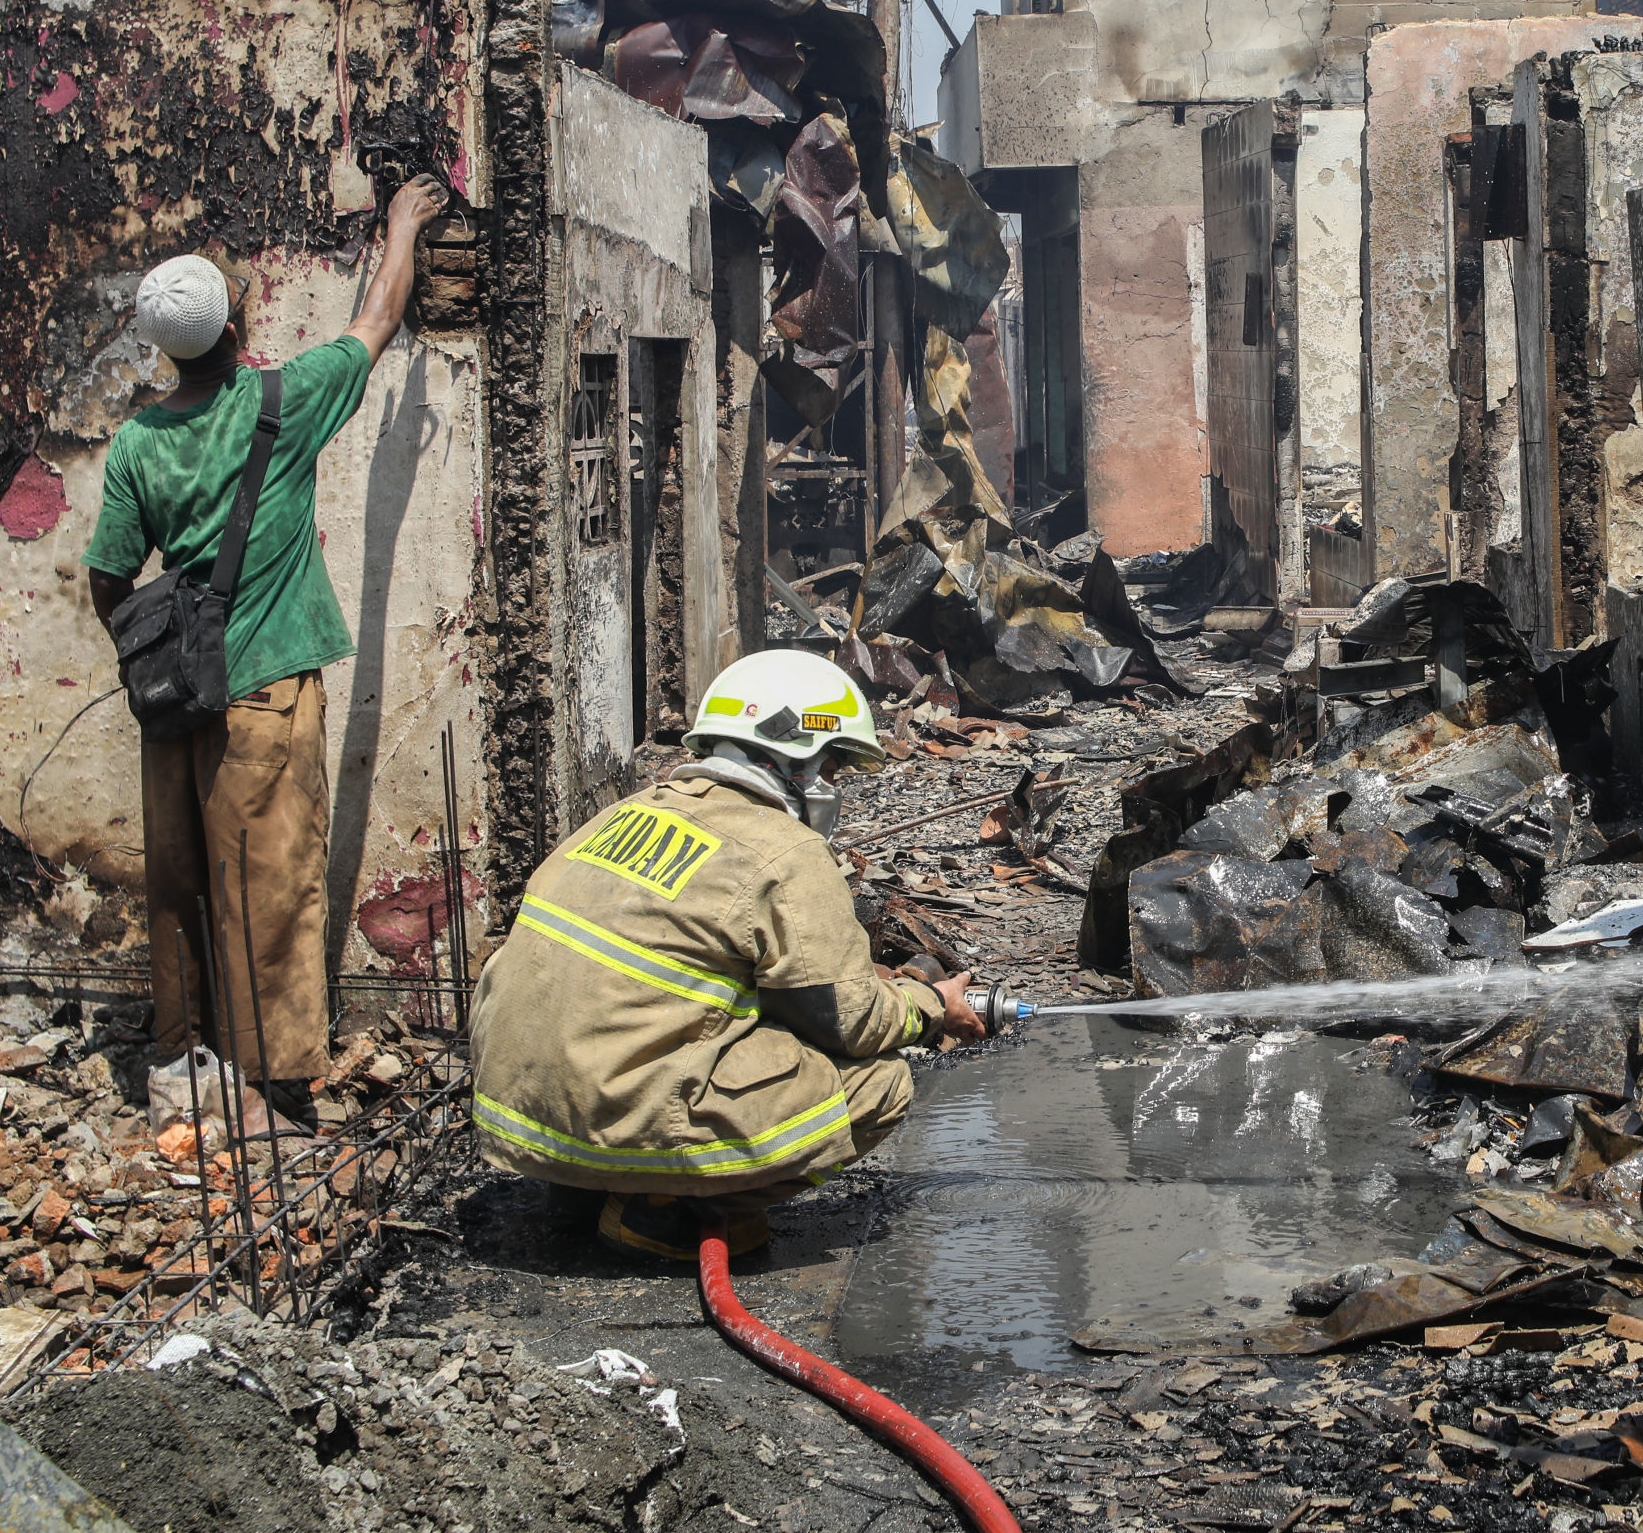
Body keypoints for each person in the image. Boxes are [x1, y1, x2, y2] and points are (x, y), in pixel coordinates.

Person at [86, 176, 448, 1123]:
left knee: (178, 877)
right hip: (267, 689)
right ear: (236, 330)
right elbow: (375, 321)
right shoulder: (283, 403)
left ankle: (180, 1051)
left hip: (172, 693)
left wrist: (158, 642)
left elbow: (108, 580)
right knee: (270, 879)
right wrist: (402, 225)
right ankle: (276, 1073)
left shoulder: (136, 447)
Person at [468, 649, 992, 1261]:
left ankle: (581, 1193)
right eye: (836, 766)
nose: (834, 784)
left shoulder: (618, 818)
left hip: (519, 1116)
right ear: (800, 760)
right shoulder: (784, 850)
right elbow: (848, 1022)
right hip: (617, 1115)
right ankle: (664, 1212)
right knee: (879, 1083)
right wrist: (930, 1006)